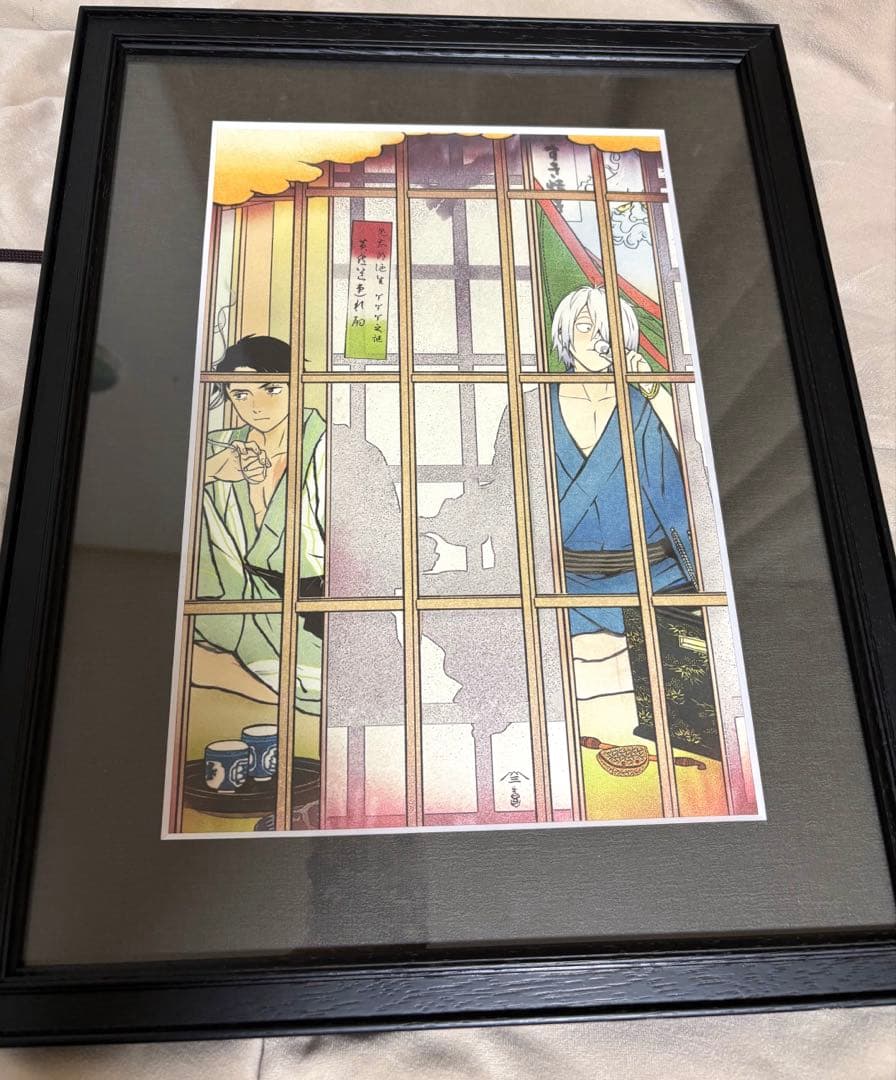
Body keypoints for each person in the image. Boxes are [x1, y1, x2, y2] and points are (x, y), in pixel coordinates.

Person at [550, 285, 719, 764]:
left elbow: (697, 471)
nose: (597, 340)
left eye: (609, 330)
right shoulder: (533, 407)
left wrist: (656, 393)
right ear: (565, 334)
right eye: (586, 327)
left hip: (655, 577)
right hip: (565, 583)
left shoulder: (643, 403)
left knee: (683, 735)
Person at [191, 335, 325, 714]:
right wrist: (212, 471)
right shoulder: (217, 447)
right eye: (241, 395)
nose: (257, 406)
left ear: (296, 382)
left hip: (309, 607)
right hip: (231, 597)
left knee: (323, 686)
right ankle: (239, 671)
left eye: (271, 389)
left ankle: (239, 674)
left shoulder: (325, 445)